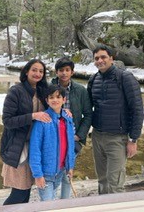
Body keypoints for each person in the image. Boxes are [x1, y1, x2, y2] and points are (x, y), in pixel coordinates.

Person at [87, 44, 144, 194]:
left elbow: (137, 109)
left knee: (115, 183)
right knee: (102, 180)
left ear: (111, 58)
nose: (100, 60)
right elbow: (88, 108)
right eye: (97, 58)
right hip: (98, 136)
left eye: (103, 57)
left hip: (117, 139)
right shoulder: (94, 79)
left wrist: (133, 140)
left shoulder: (125, 77)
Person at [0, 59, 51, 205]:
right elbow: (7, 121)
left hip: (35, 147)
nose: (37, 74)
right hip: (18, 147)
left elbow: (52, 108)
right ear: (27, 71)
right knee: (19, 192)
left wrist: (63, 111)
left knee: (26, 191)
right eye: (34, 70)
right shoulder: (16, 91)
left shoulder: (42, 91)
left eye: (41, 71)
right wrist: (32, 116)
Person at [51, 57, 92, 199]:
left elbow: (87, 114)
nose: (64, 73)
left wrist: (79, 136)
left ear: (72, 72)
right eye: (61, 70)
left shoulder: (80, 90)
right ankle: (51, 202)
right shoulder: (48, 88)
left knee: (68, 171)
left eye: (67, 70)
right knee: (54, 171)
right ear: (56, 72)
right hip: (53, 138)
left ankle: (64, 202)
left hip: (73, 138)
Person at [29, 84, 75, 201]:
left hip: (60, 170)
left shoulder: (67, 119)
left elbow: (70, 145)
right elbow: (35, 149)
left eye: (58, 97)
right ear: (47, 100)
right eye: (51, 97)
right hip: (46, 173)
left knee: (53, 198)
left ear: (64, 99)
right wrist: (38, 175)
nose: (55, 100)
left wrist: (70, 166)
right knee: (47, 203)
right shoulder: (43, 121)